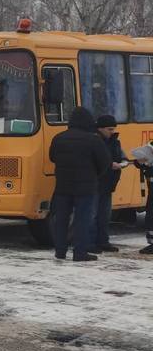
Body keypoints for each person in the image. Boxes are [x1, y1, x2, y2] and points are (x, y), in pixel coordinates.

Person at [48, 106, 111, 261]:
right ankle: (80, 253)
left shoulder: (59, 137)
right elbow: (105, 162)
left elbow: (52, 157)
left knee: (61, 220)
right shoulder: (93, 140)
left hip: (63, 186)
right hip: (86, 187)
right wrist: (95, 175)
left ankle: (60, 251)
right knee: (82, 220)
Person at [93, 114, 125, 253]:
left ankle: (103, 241)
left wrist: (123, 162)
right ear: (100, 128)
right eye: (109, 129)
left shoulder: (114, 141)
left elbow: (122, 156)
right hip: (95, 183)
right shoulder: (94, 140)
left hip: (108, 184)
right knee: (93, 215)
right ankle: (92, 242)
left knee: (105, 215)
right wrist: (109, 164)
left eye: (113, 129)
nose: (112, 132)